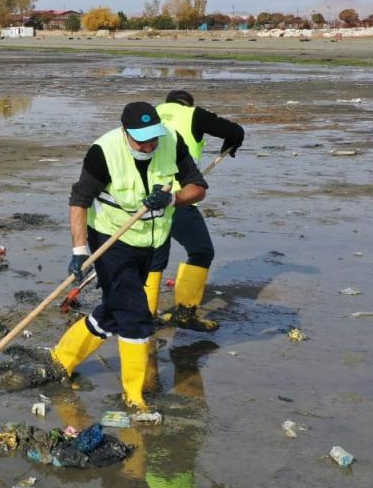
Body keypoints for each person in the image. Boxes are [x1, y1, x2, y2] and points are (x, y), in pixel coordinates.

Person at [50, 102, 207, 411]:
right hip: (111, 237)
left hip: (153, 238)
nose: (150, 145)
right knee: (135, 315)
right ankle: (133, 396)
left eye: (154, 138)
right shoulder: (103, 152)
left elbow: (199, 188)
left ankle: (61, 359)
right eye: (142, 140)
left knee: (117, 307)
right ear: (125, 133)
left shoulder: (171, 142)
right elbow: (79, 200)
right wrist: (80, 251)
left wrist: (173, 197)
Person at [153, 90, 245, 332]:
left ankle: (145, 315)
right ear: (188, 103)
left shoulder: (151, 113)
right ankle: (184, 313)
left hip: (143, 199)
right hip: (177, 197)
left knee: (152, 257)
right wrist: (232, 143)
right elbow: (235, 131)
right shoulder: (193, 114)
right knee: (201, 251)